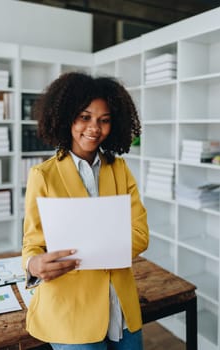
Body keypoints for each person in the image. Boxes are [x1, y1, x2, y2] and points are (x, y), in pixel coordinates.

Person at [22, 71, 149, 350]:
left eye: (104, 120)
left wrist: (90, 249)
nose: (94, 128)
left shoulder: (120, 170)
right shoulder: (42, 175)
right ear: (67, 117)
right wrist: (34, 265)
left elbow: (140, 234)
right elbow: (33, 243)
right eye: (84, 117)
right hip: (70, 312)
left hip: (121, 308)